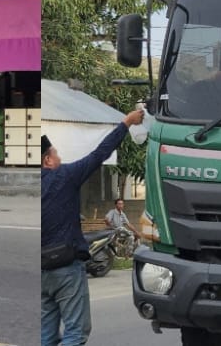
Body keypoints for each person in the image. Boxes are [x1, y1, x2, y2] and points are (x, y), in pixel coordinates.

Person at [42, 107, 145, 346]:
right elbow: (100, 153)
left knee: (46, 335)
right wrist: (126, 123)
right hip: (65, 267)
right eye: (56, 153)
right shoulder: (64, 176)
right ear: (47, 160)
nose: (60, 158)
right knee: (75, 332)